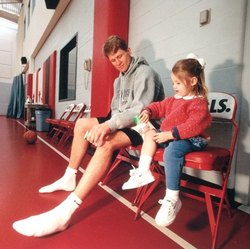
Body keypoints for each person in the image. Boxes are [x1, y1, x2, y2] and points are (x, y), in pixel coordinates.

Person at [12, 35, 165, 237]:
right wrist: (105, 126)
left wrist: (108, 128)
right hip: (124, 121)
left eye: (120, 56)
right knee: (82, 124)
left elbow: (138, 113)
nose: (118, 62)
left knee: (106, 142)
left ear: (128, 51)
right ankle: (69, 176)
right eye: (113, 60)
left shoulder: (145, 73)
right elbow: (115, 111)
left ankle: (65, 213)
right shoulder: (119, 80)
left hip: (144, 124)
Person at [122, 53, 212, 227]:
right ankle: (143, 171)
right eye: (173, 83)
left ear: (193, 81)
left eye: (178, 83)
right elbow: (159, 106)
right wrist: (148, 110)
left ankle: (172, 198)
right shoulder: (174, 100)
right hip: (171, 135)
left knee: (171, 152)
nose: (174, 86)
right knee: (149, 134)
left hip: (191, 139)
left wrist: (169, 135)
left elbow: (193, 126)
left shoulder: (198, 103)